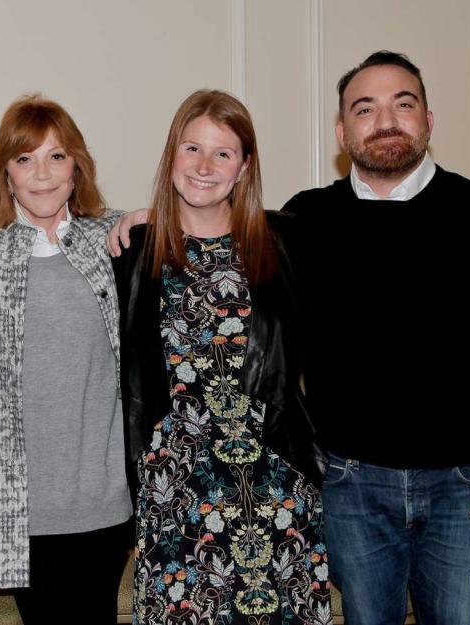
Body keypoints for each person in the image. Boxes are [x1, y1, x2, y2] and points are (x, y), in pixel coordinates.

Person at [277, 51, 470, 625]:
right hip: (348, 482)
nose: (386, 120)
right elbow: (227, 256)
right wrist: (155, 216)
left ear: (428, 120)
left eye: (404, 104)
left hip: (465, 483)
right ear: (342, 130)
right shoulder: (306, 221)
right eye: (365, 108)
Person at [112, 89, 329, 625]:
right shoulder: (133, 248)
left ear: (244, 166)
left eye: (222, 153)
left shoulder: (288, 242)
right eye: (191, 149)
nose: (204, 167)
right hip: (174, 485)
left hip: (274, 480)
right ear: (172, 156)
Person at [0, 95, 132, 625]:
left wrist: (154, 217)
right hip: (16, 510)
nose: (42, 174)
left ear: (77, 166)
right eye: (24, 159)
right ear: (5, 174)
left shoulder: (119, 240)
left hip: (104, 500)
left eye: (56, 157)